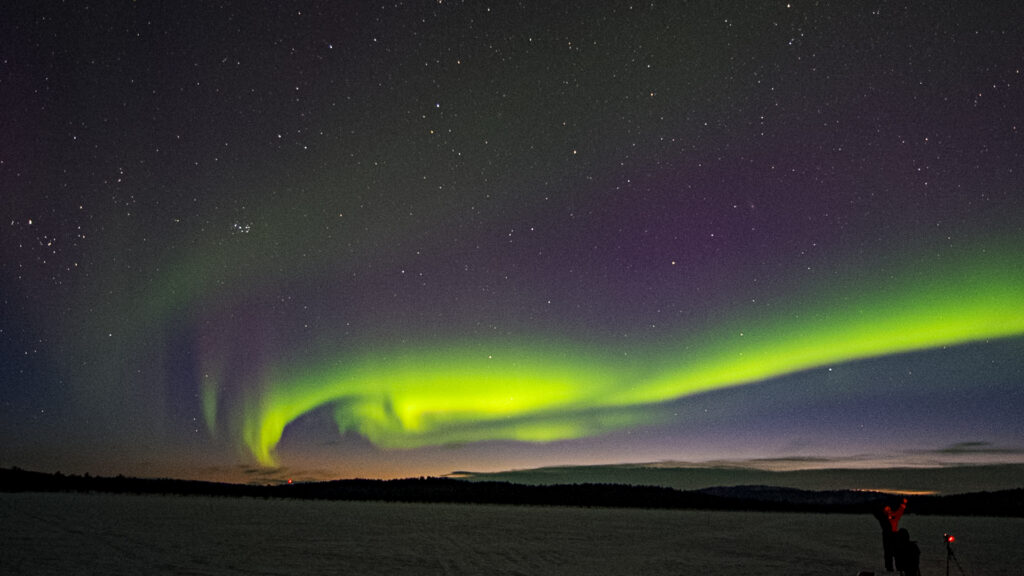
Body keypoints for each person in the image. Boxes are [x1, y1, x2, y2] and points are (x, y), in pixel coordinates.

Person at [873, 498, 907, 571]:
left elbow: (900, 512)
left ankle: (899, 568)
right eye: (886, 509)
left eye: (888, 508)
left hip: (894, 534)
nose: (888, 510)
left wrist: (903, 504)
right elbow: (876, 513)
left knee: (897, 552)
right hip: (886, 535)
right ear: (884, 510)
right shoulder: (882, 517)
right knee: (888, 553)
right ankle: (889, 568)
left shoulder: (894, 516)